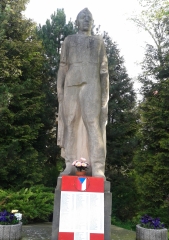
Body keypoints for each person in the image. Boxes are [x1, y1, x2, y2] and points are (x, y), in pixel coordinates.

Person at [57, 8, 109, 179]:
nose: (86, 20)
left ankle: (97, 167)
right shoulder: (69, 40)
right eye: (82, 17)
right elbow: (63, 67)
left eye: (89, 18)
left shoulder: (98, 41)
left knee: (93, 124)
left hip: (91, 84)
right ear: (77, 22)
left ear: (92, 22)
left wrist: (105, 95)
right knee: (70, 123)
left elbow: (104, 71)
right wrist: (60, 90)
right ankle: (70, 165)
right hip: (71, 85)